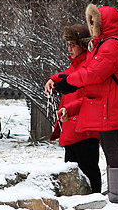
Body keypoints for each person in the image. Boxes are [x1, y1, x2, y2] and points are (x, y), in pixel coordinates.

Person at [52, 4, 118, 203]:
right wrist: (67, 91)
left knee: (112, 149)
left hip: (111, 106)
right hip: (104, 104)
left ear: (104, 23)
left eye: (94, 22)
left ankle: (117, 194)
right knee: (108, 147)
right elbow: (86, 74)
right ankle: (114, 192)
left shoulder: (111, 46)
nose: (92, 26)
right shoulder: (101, 46)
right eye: (90, 22)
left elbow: (93, 74)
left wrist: (68, 82)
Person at [44, 24, 102, 194]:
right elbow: (67, 74)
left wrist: (69, 109)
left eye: (72, 44)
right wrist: (53, 79)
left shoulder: (89, 66)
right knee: (73, 174)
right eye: (67, 44)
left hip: (84, 129)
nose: (68, 49)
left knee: (89, 172)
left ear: (82, 45)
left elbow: (88, 96)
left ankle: (95, 203)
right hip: (71, 128)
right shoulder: (77, 65)